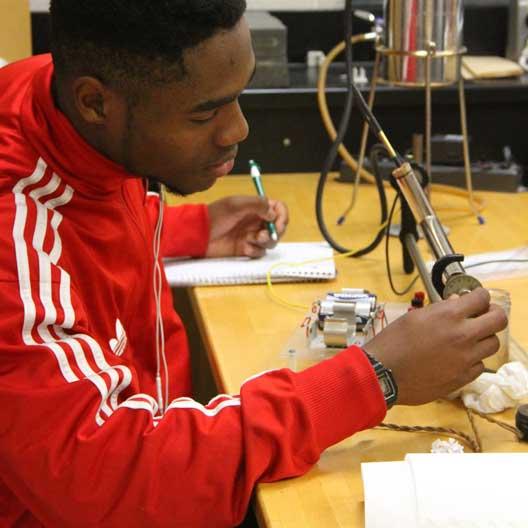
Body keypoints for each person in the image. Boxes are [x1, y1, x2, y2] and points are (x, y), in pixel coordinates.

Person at [0, 1, 507, 527]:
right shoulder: (13, 221)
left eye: (238, 97)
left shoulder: (64, 100)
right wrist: (375, 377)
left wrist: (191, 229)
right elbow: (103, 476)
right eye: (204, 113)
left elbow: (75, 226)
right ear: (94, 103)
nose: (237, 130)